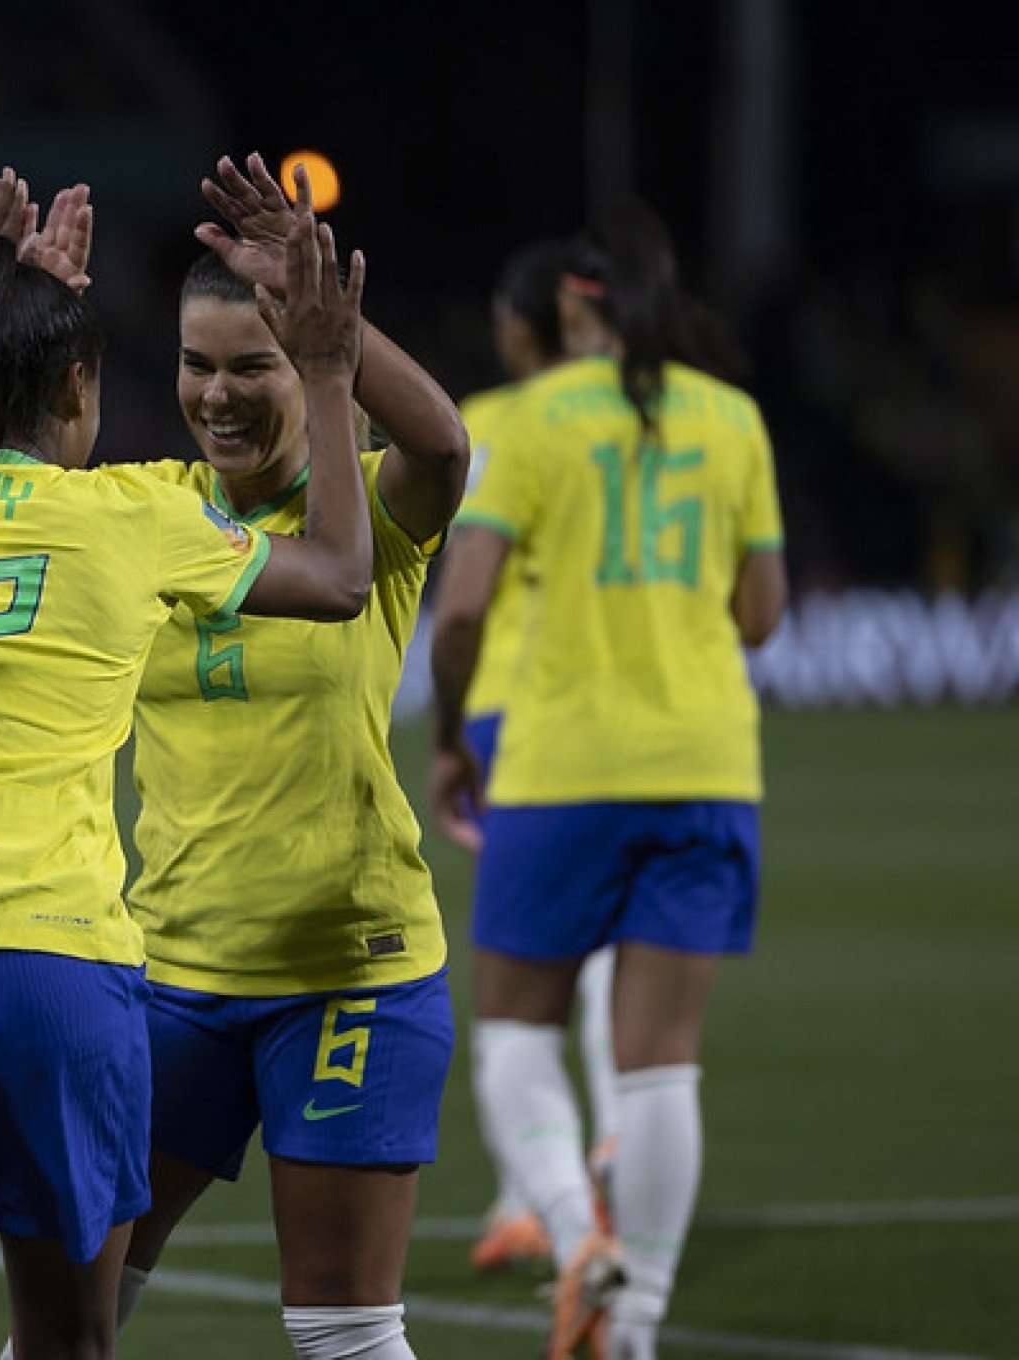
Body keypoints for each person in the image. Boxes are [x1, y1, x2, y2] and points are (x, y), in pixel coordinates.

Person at [0, 169, 378, 1360]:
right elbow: (343, 574)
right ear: (74, 386)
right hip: (52, 969)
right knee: (67, 1345)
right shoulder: (133, 515)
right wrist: (322, 366)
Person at [95, 152, 469, 1360]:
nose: (218, 395)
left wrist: (329, 337)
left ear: (305, 374)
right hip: (171, 979)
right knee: (69, 1323)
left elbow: (448, 446)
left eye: (249, 366)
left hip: (348, 972)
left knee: (344, 1336)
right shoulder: (145, 514)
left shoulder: (369, 510)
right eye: (197, 365)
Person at [429, 203, 788, 1360]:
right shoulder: (733, 418)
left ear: (569, 308)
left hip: (561, 762)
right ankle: (633, 1322)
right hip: (707, 765)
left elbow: (469, 600)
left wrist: (448, 736)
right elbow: (763, 614)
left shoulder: (531, 419)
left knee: (518, 1030)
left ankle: (579, 1235)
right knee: (659, 1060)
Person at [444, 238, 623, 1276]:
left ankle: (548, 1176)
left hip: (514, 711)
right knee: (599, 942)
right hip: (618, 704)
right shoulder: (649, 419)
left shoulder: (495, 422)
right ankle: (539, 1180)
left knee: (520, 969)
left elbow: (464, 575)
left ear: (519, 328)